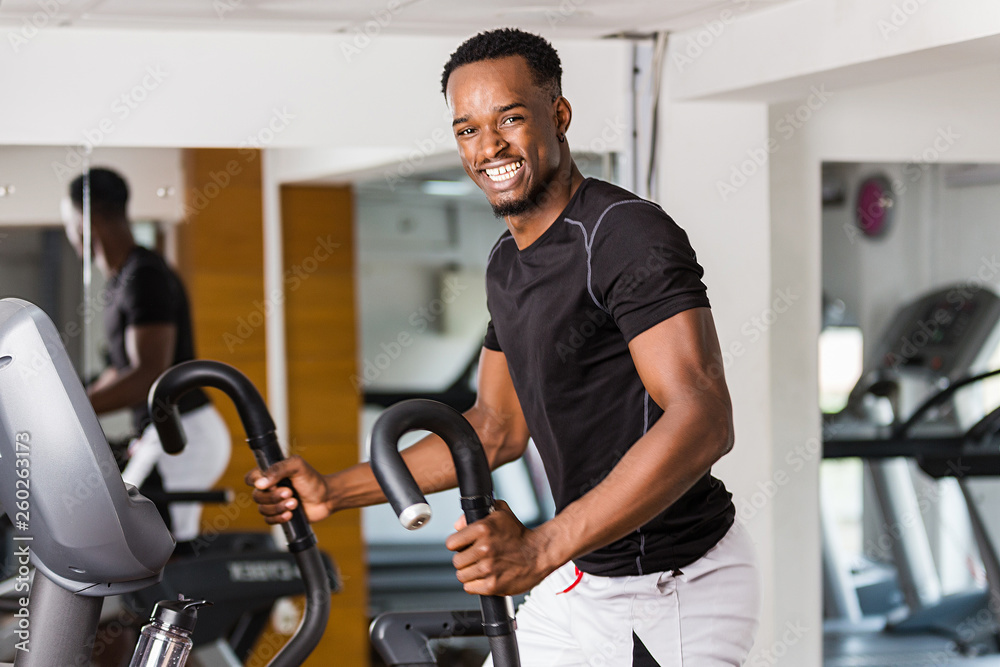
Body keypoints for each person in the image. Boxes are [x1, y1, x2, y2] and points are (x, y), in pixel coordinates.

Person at [248, 29, 760, 666]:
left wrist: (540, 548)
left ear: (559, 115)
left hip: (674, 586)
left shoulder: (623, 233)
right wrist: (333, 490)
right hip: (582, 581)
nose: (488, 146)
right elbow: (493, 429)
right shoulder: (506, 264)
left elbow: (703, 417)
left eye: (509, 119)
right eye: (466, 129)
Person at [64, 167, 231, 543]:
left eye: (70, 221)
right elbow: (117, 371)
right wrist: (68, 399)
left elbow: (147, 374)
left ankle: (187, 601)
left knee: (153, 541)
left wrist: (72, 411)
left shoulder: (145, 276)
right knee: (131, 534)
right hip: (162, 431)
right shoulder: (121, 280)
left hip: (185, 431)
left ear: (86, 219)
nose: (70, 232)